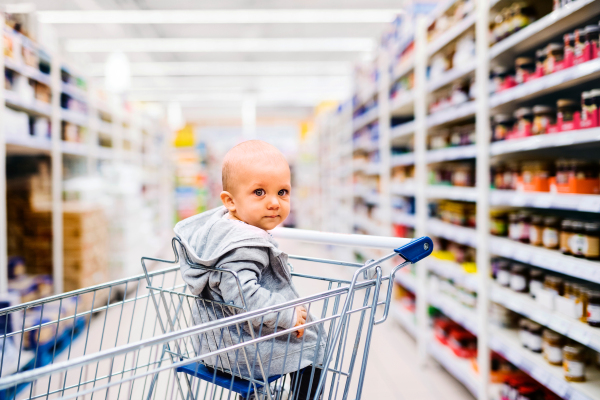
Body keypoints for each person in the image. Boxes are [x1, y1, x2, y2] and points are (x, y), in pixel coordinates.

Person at [174, 140, 325, 400]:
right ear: (230, 201)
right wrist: (286, 314)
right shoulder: (243, 245)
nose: (274, 202)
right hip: (241, 352)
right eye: (259, 192)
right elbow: (242, 296)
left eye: (282, 192)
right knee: (313, 343)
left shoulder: (221, 231)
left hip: (216, 344)